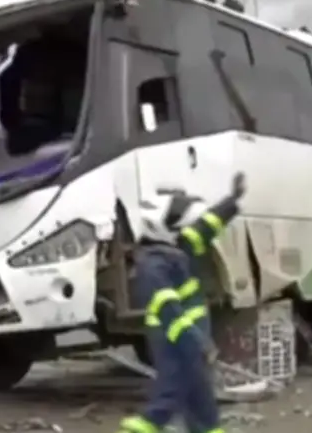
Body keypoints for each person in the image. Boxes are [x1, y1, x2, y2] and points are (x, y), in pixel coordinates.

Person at [118, 174, 246, 433]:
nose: (190, 230)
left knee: (198, 389)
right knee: (175, 385)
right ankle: (147, 425)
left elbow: (206, 225)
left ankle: (205, 428)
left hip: (190, 333)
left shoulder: (180, 245)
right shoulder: (153, 266)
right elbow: (170, 313)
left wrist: (232, 201)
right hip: (172, 337)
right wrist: (197, 342)